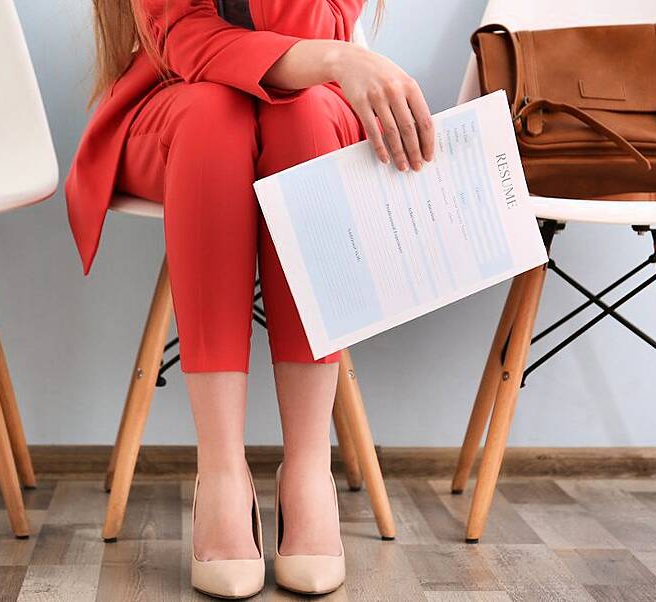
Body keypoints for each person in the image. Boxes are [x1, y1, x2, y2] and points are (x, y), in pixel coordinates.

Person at [66, 0, 434, 597]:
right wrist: (340, 57)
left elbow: (312, 23)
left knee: (305, 118)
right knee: (216, 117)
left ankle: (309, 469)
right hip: (174, 99)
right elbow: (188, 39)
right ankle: (220, 474)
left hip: (312, 106)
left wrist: (330, 56)